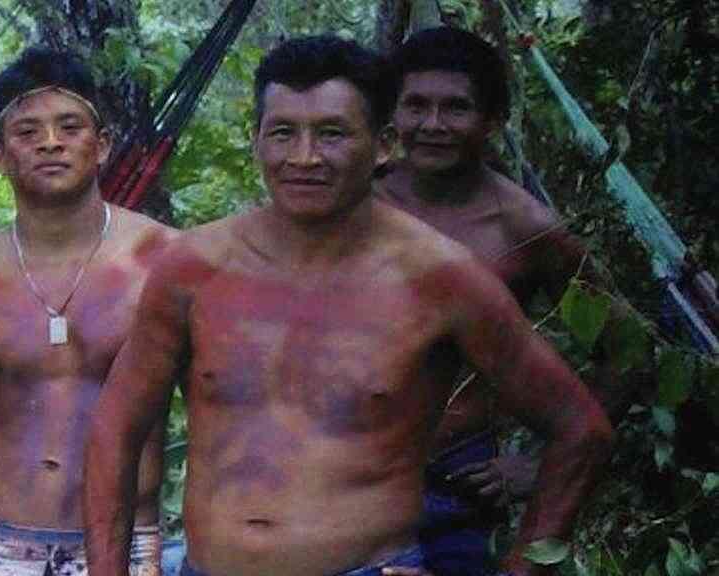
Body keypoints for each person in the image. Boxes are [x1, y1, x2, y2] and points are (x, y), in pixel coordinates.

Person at [83, 35, 614, 576]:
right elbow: (115, 427)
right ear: (256, 140)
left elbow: (581, 428)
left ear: (383, 145)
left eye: (332, 134)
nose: (305, 157)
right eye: (283, 133)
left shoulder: (441, 278)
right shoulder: (195, 266)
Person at [0, 48, 176, 576]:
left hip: (125, 543)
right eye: (27, 131)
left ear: (102, 145)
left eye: (69, 127)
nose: (51, 142)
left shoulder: (163, 263)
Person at [374, 27, 629, 575]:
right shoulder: (353, 203)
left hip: (454, 484)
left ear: (492, 120)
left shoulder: (525, 228)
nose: (433, 124)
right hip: (341, 476)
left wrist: (535, 464)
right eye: (416, 105)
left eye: (456, 108)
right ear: (392, 113)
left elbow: (628, 351)